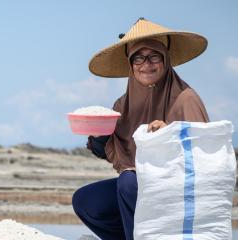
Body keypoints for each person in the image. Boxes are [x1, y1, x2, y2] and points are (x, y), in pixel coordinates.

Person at [72, 18, 209, 240]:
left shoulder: (186, 99)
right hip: (137, 188)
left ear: (165, 60)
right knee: (87, 201)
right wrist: (99, 135)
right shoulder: (121, 105)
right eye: (138, 58)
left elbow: (204, 155)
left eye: (154, 56)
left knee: (129, 182)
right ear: (130, 64)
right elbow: (109, 151)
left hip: (176, 192)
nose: (146, 64)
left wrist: (170, 134)